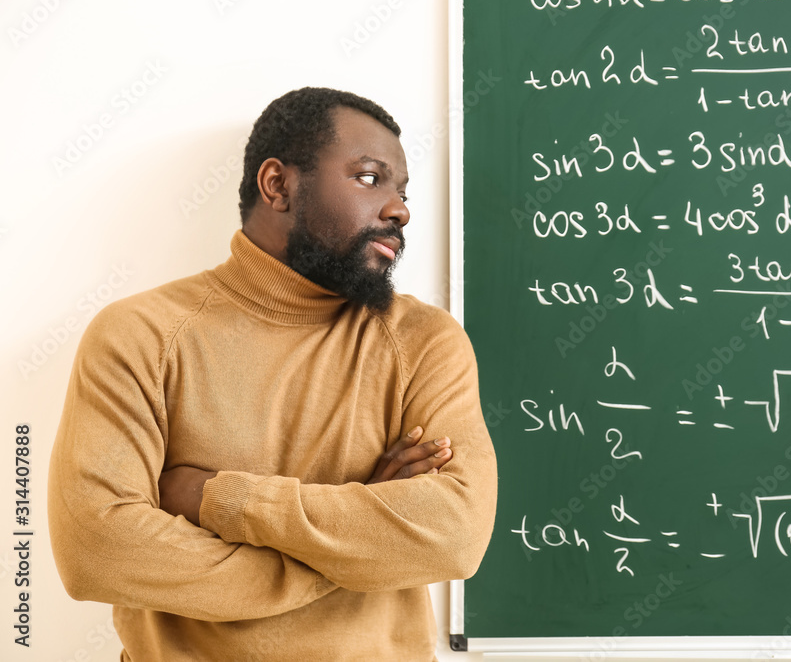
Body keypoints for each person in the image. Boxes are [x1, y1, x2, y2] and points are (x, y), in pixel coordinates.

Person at [48, 87, 498, 661]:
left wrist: (217, 499)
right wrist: (356, 540)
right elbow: (97, 552)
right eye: (369, 178)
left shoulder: (424, 342)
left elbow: (455, 535)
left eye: (403, 191)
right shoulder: (141, 336)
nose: (399, 209)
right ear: (278, 185)